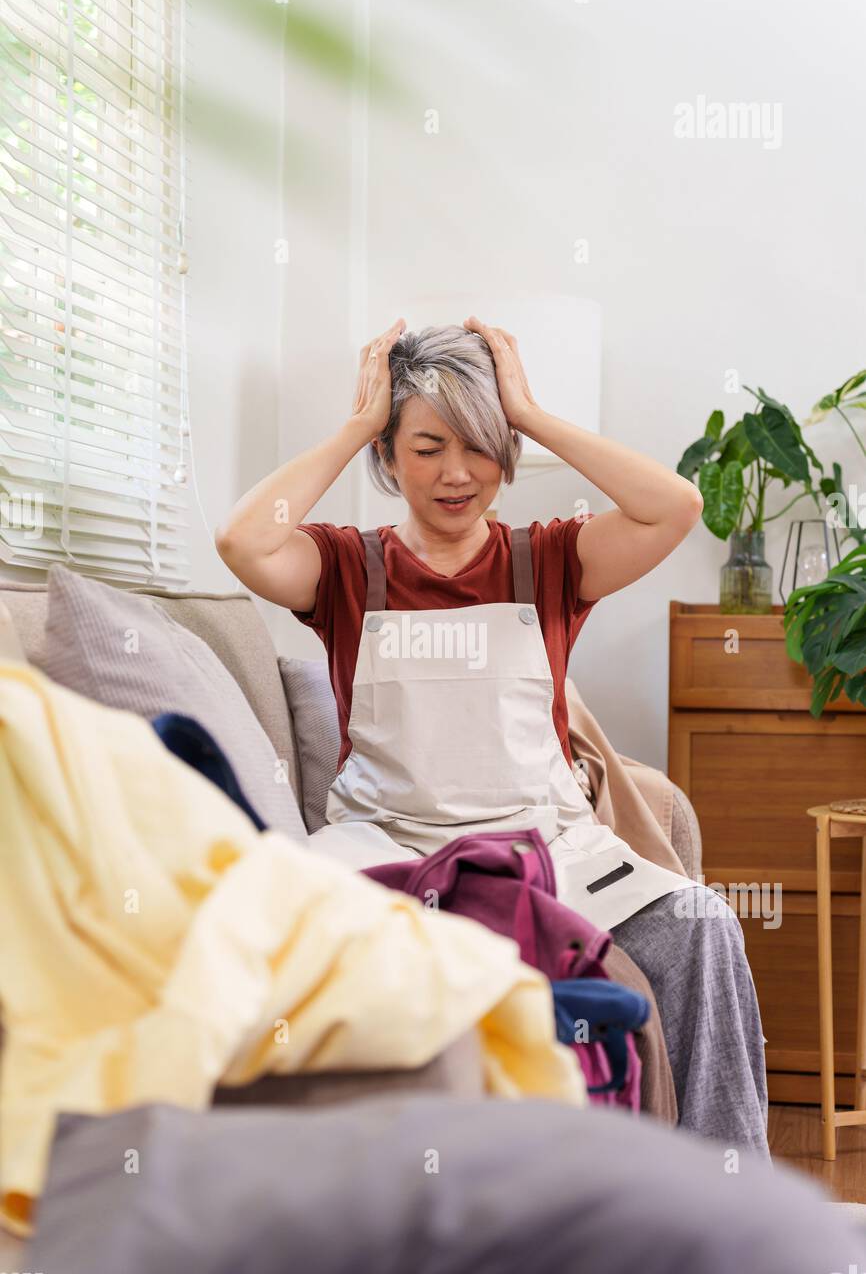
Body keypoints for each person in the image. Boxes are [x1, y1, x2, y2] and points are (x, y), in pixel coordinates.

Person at [216, 318, 769, 1157]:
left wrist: (531, 414)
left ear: (507, 455)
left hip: (546, 847)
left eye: (480, 446)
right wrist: (358, 423)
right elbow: (241, 540)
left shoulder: (547, 559)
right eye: (428, 446)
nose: (457, 473)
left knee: (704, 926)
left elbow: (676, 507)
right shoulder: (345, 568)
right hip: (387, 848)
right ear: (391, 457)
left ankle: (723, 1205)